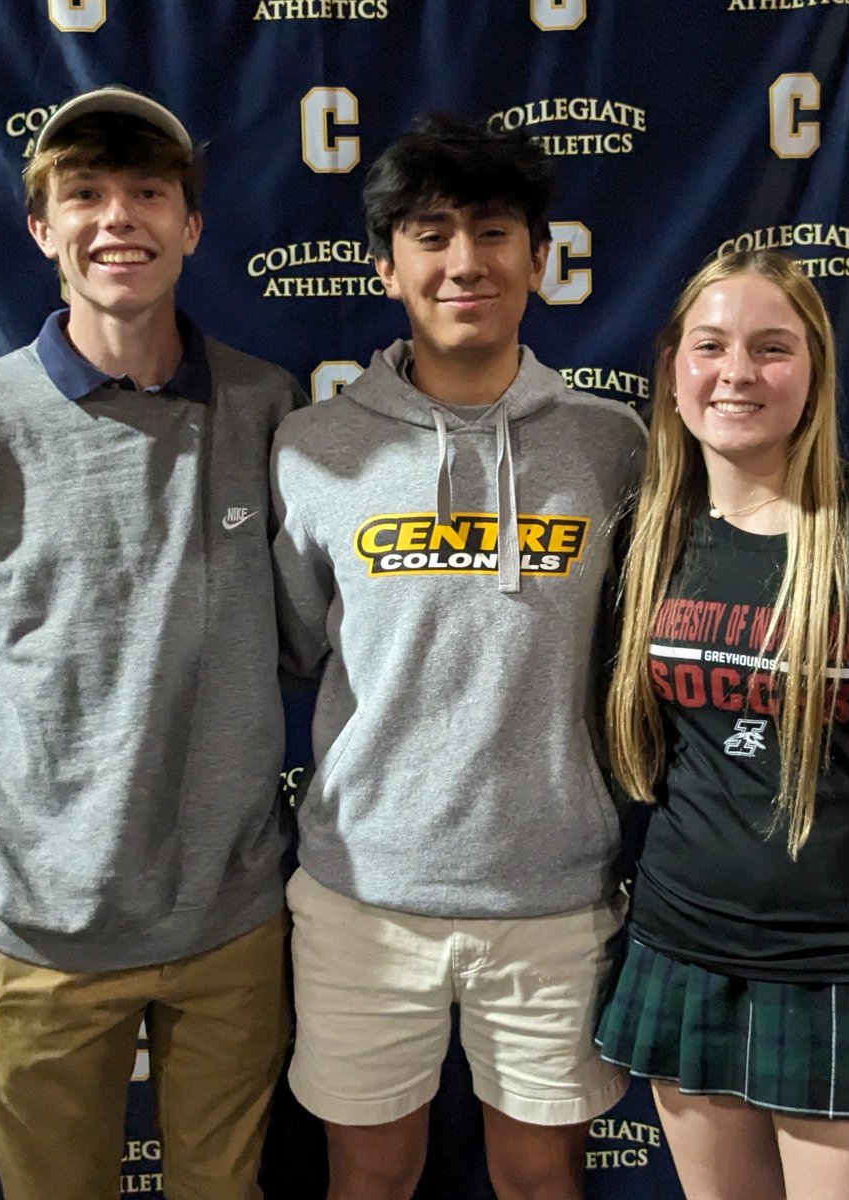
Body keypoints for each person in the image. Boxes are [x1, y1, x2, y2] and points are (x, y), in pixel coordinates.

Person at [0, 86, 303, 1200]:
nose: (120, 217)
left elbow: (319, 638)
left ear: (192, 225)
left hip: (234, 925)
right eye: (86, 193)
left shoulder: (268, 407)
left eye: (149, 192)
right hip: (39, 936)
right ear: (41, 228)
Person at [269, 113, 645, 1200]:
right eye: (431, 235)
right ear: (388, 266)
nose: (465, 262)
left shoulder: (613, 446)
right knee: (370, 1180)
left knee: (540, 1183)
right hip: (361, 894)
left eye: (492, 231)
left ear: (540, 253)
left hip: (555, 893)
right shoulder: (316, 446)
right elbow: (299, 644)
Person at [597, 249, 849, 1200]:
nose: (736, 372)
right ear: (672, 369)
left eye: (771, 348)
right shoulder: (648, 531)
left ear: (814, 373)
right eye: (711, 346)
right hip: (682, 950)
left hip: (846, 973)